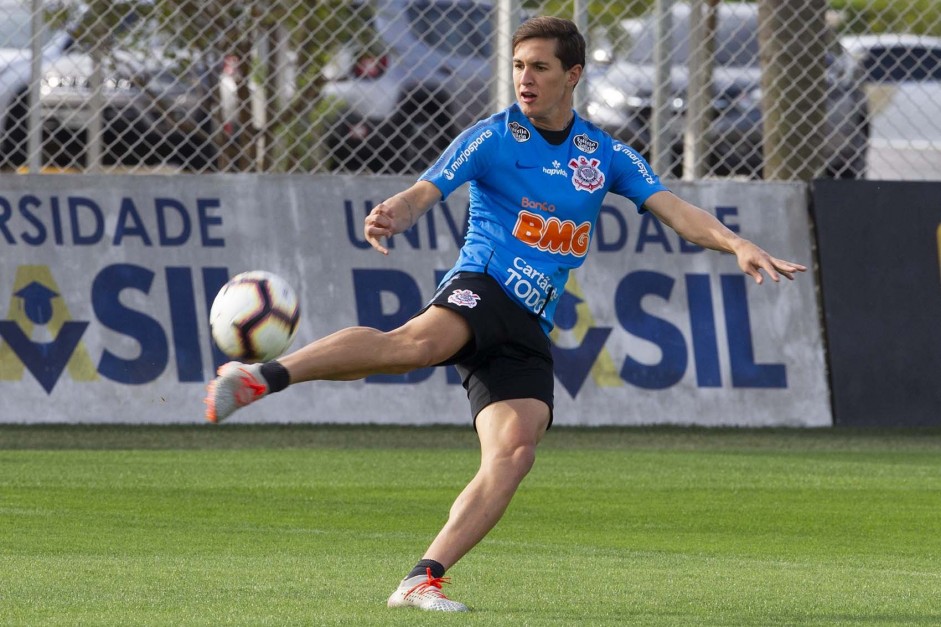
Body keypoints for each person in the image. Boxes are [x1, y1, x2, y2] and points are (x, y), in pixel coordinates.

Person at [204, 16, 806, 612]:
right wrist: (395, 212)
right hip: (483, 282)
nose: (525, 78)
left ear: (573, 75)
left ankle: (422, 579)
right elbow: (426, 190)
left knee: (515, 451)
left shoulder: (605, 153)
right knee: (415, 346)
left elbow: (673, 208)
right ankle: (260, 377)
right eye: (518, 66)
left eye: (540, 67)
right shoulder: (492, 137)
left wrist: (736, 243)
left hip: (528, 322)